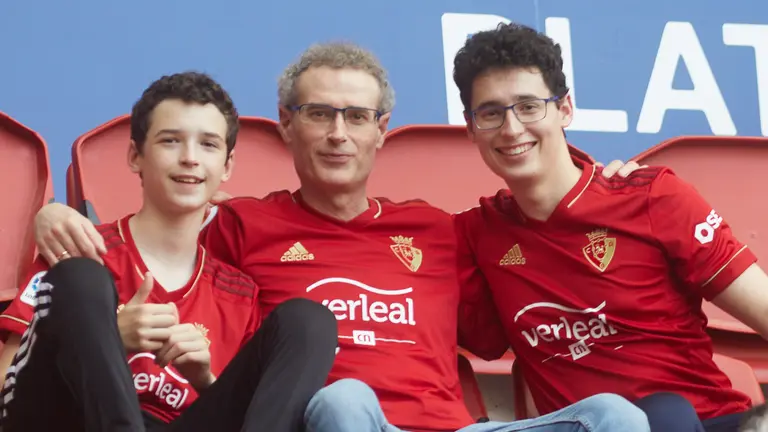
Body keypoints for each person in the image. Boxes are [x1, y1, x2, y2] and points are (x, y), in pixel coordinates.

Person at [29, 44, 648, 431]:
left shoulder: (440, 229)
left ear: (383, 131)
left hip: (455, 428)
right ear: (286, 128)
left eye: (356, 117)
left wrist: (602, 183)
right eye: (319, 114)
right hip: (336, 418)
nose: (337, 134)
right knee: (345, 396)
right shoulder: (242, 226)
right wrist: (48, 214)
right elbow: (162, 229)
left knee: (615, 416)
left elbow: (541, 231)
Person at [451, 22, 768, 432]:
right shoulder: (473, 236)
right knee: (653, 415)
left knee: (676, 412)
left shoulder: (654, 198)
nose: (512, 129)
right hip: (601, 427)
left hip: (709, 421)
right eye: (491, 113)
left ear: (565, 109)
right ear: (471, 127)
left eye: (529, 106)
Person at [0, 72, 338, 432]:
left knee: (309, 321)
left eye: (208, 145)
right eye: (170, 141)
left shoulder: (237, 293)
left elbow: (231, 408)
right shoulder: (80, 249)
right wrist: (108, 339)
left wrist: (205, 380)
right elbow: (10, 385)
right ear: (135, 156)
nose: (190, 158)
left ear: (227, 166)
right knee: (79, 274)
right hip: (69, 421)